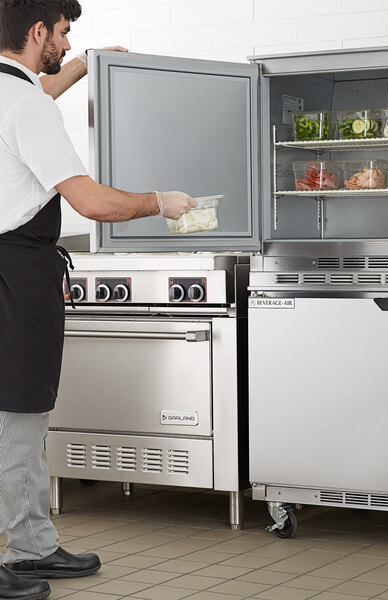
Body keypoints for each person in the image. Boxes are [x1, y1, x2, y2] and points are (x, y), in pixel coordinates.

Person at [0, 1, 197, 598]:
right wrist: (160, 202)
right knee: (14, 421)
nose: (65, 41)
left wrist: (86, 64)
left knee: (25, 417)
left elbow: (38, 92)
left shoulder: (13, 92)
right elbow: (90, 202)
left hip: (12, 270)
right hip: (17, 277)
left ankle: (32, 547)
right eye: (63, 32)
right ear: (38, 31)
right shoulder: (27, 105)